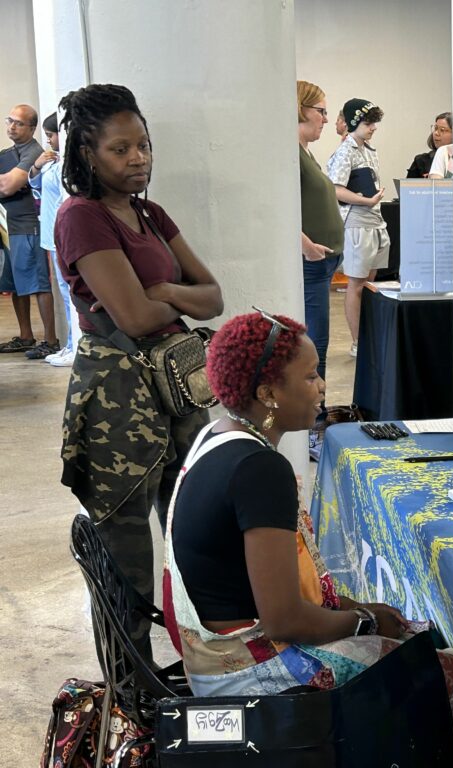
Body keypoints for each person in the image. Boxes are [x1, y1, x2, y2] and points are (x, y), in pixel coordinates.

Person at [164, 311, 453, 766]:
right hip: (246, 676)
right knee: (448, 671)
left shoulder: (216, 433)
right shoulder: (260, 471)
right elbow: (284, 621)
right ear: (267, 392)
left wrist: (359, 609)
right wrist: (365, 623)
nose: (322, 387)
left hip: (209, 656)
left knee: (410, 635)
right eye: (310, 376)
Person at [54, 83, 223, 657]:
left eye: (143, 146)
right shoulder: (82, 217)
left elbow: (214, 296)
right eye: (120, 150)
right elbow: (130, 313)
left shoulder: (150, 212)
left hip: (179, 389)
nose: (138, 159)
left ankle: (209, 673)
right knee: (128, 564)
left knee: (196, 534)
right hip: (119, 402)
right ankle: (131, 703)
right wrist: (176, 300)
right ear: (86, 153)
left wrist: (167, 291)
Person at [296, 80, 345, 460]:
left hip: (322, 265)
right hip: (311, 265)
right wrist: (305, 244)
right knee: (317, 345)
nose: (327, 119)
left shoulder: (305, 152)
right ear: (301, 108)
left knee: (320, 343)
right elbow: (278, 205)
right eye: (321, 111)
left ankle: (318, 421)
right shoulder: (289, 153)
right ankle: (315, 427)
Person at [326, 98, 389, 359]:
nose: (373, 127)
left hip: (374, 221)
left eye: (374, 122)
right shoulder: (345, 152)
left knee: (369, 284)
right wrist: (366, 201)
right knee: (356, 284)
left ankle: (368, 337)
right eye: (367, 122)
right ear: (354, 123)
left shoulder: (368, 150)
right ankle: (357, 342)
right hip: (357, 223)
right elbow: (336, 189)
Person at [0, 103, 59, 357]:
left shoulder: (33, 151)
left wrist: (10, 180)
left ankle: (51, 340)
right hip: (8, 226)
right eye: (9, 120)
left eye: (19, 123)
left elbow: (7, 187)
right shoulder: (8, 153)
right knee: (14, 284)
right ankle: (26, 336)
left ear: (32, 128)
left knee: (38, 283)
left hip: (28, 226)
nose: (12, 126)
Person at [28, 112, 79, 366]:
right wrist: (37, 165)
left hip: (62, 237)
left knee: (70, 292)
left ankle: (75, 345)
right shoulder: (52, 162)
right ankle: (70, 342)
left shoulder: (68, 165)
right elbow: (35, 187)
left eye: (51, 135)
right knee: (63, 290)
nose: (49, 141)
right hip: (50, 236)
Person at [406, 111, 452, 179]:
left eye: (442, 130)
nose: (436, 133)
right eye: (435, 128)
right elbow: (407, 188)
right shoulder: (421, 160)